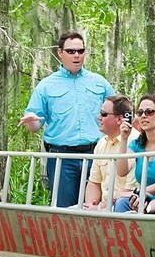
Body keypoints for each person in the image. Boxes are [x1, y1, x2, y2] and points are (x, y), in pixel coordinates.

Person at [18, 31, 115, 207]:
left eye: (80, 51)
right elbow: (34, 126)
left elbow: (118, 113)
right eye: (71, 51)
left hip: (96, 155)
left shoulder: (100, 83)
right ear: (60, 53)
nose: (76, 55)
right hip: (62, 158)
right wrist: (31, 120)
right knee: (64, 210)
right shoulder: (46, 86)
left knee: (97, 207)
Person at [114, 94, 155, 213]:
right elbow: (121, 171)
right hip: (140, 199)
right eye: (140, 113)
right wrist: (124, 139)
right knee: (121, 204)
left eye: (149, 112)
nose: (144, 116)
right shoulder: (137, 144)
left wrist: (140, 191)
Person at [83, 95, 137, 210]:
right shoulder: (101, 143)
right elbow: (94, 182)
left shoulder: (135, 143)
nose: (99, 117)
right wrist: (90, 206)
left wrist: (98, 209)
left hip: (123, 207)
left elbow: (129, 193)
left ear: (119, 119)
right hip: (101, 208)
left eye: (103, 114)